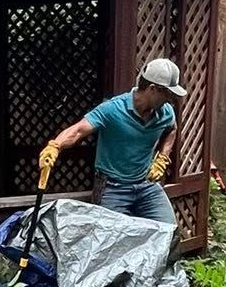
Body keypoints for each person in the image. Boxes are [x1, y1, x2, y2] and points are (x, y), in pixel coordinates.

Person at [38, 58, 186, 227]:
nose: (171, 99)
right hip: (112, 187)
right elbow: (78, 130)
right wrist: (55, 146)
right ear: (153, 89)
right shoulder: (113, 109)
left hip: (145, 185)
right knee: (110, 240)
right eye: (168, 93)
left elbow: (171, 129)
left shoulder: (165, 112)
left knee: (169, 231)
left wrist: (162, 158)